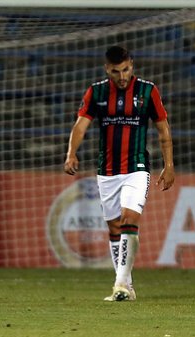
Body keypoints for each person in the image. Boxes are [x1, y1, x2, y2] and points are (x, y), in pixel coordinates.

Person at [64, 45, 175, 302]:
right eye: (116, 71)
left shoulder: (148, 91)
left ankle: (120, 285)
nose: (122, 76)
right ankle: (127, 283)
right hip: (107, 171)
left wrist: (169, 166)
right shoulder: (97, 91)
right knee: (114, 227)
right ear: (107, 69)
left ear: (132, 65)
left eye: (126, 70)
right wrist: (71, 153)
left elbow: (163, 130)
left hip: (137, 168)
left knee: (129, 220)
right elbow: (80, 126)